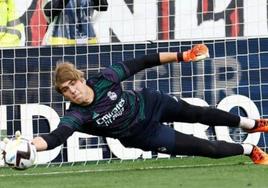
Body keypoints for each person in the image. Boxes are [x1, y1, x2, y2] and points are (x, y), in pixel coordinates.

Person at [31, 44, 268, 165]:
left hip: (151, 103)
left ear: (81, 78)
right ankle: (249, 150)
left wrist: (183, 55)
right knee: (207, 149)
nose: (72, 91)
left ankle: (251, 123)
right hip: (144, 135)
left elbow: (143, 61)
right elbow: (55, 138)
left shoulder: (106, 78)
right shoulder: (76, 116)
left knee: (199, 112)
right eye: (65, 90)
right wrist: (30, 146)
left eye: (73, 83)